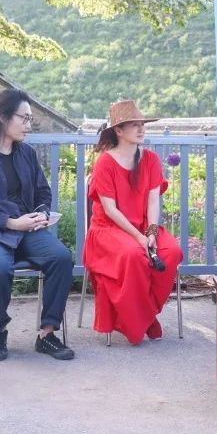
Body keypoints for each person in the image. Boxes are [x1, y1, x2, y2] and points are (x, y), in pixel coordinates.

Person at [0, 89, 75, 361]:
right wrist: (11, 223)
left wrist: (41, 214)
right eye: (24, 118)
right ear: (3, 117)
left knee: (61, 258)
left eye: (30, 119)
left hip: (27, 230)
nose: (28, 125)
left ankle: (47, 334)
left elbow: (43, 193)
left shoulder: (27, 154)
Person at [83, 100, 184, 344]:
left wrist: (151, 232)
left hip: (143, 227)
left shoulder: (150, 159)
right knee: (134, 255)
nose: (141, 129)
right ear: (118, 130)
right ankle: (144, 320)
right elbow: (110, 210)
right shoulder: (105, 162)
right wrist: (139, 238)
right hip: (109, 229)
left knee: (171, 252)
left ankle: (144, 314)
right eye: (134, 125)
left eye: (142, 124)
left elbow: (153, 201)